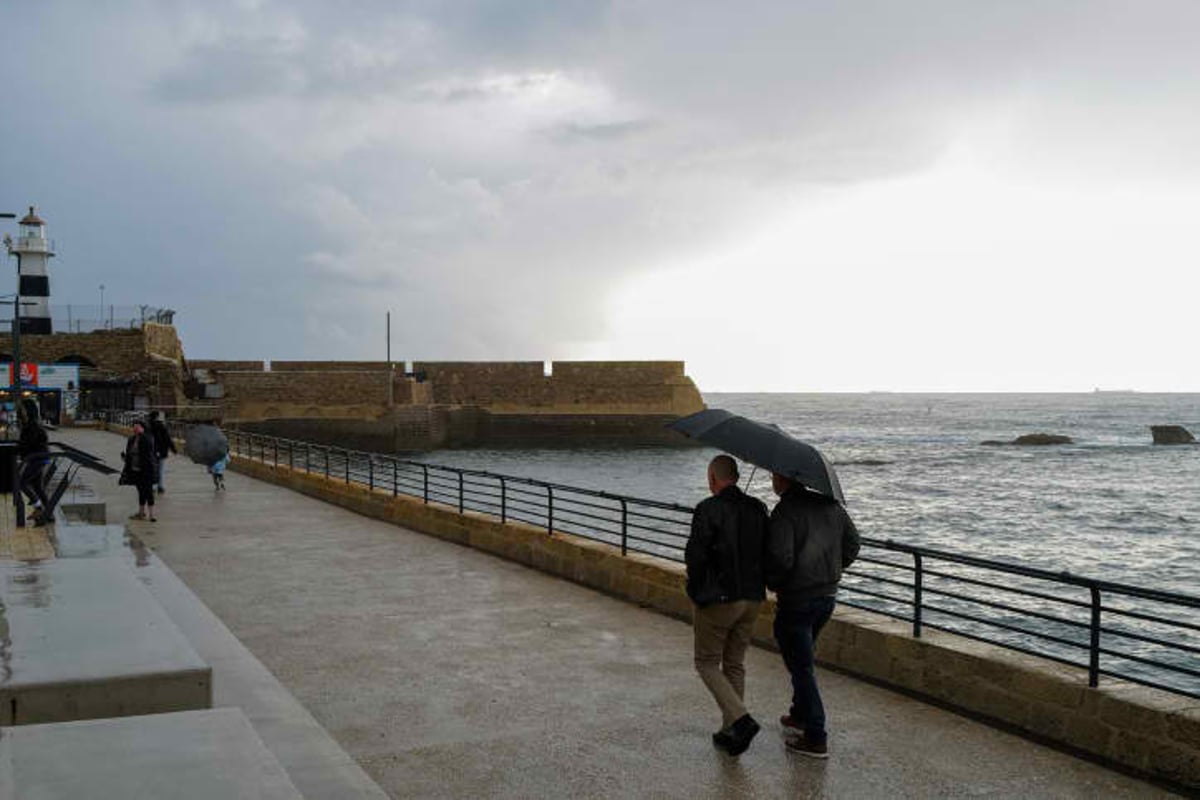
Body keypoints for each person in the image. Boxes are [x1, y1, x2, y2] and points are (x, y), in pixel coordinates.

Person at [765, 473, 860, 759]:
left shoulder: (785, 511)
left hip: (796, 600)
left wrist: (774, 582)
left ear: (783, 480)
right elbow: (853, 544)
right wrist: (833, 572)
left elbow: (781, 558)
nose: (772, 481)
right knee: (802, 657)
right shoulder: (831, 505)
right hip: (827, 598)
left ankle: (816, 735)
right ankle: (799, 714)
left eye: (774, 476)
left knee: (801, 664)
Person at [685, 454, 769, 756]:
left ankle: (742, 720)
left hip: (720, 599)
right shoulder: (759, 509)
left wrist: (697, 592)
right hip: (753, 598)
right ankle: (730, 730)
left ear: (712, 478)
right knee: (734, 663)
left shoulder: (708, 509)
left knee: (706, 662)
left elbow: (696, 557)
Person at [16, 399, 52, 525]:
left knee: (22, 483)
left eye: (23, 409)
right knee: (37, 487)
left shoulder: (32, 425)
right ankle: (49, 514)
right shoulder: (31, 424)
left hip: (37, 459)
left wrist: (18, 449)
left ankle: (39, 508)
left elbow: (27, 444)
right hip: (39, 458)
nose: (21, 411)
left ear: (29, 410)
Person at [124, 419, 159, 521]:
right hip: (135, 469)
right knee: (141, 491)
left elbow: (149, 451)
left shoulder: (147, 438)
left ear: (142, 428)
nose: (135, 428)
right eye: (134, 426)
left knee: (148, 491)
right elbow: (129, 452)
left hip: (146, 470)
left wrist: (142, 435)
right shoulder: (131, 439)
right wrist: (126, 458)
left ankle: (152, 515)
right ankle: (141, 512)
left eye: (138, 426)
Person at [147, 410, 177, 493]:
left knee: (151, 468)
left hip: (150, 451)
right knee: (160, 469)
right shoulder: (161, 426)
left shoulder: (147, 426)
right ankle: (160, 486)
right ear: (157, 417)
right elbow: (167, 438)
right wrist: (173, 449)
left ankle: (152, 486)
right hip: (161, 450)